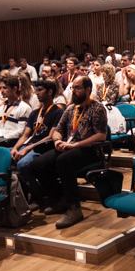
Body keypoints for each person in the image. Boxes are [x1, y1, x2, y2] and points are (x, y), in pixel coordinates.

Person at [22, 76, 109, 229]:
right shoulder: (70, 109)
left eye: (78, 88)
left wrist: (76, 145)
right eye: (73, 88)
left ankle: (74, 208)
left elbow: (101, 135)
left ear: (88, 90)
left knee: (63, 160)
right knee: (37, 164)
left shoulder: (97, 108)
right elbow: (57, 130)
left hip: (90, 150)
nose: (73, 91)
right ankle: (59, 198)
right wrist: (57, 141)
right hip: (68, 147)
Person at [12, 80, 63, 172]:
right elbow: (25, 135)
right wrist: (15, 148)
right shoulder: (34, 112)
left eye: (40, 90)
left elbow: (50, 137)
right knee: (3, 157)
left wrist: (29, 147)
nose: (37, 93)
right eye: (36, 90)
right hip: (28, 145)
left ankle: (32, 186)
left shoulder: (58, 112)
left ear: (50, 92)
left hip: (42, 148)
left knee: (22, 164)